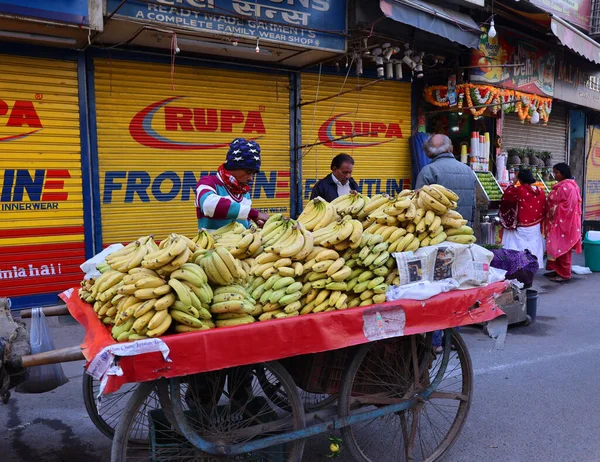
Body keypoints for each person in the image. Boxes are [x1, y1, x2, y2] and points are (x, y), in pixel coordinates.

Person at [195, 138, 269, 230]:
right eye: (248, 172)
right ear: (234, 166)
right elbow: (208, 205)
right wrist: (254, 213)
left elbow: (244, 221)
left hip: (240, 243)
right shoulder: (208, 183)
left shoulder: (244, 192)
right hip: (213, 243)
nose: (251, 178)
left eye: (253, 173)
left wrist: (254, 226)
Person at [415, 134, 476, 225]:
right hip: (465, 231)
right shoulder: (468, 170)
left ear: (428, 151)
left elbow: (418, 206)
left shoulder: (428, 171)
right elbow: (473, 205)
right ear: (450, 148)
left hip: (438, 232)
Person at [499, 169, 546, 269]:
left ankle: (517, 266)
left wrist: (513, 182)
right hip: (535, 226)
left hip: (520, 227)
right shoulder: (540, 191)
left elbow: (506, 196)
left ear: (520, 179)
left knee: (516, 246)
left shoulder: (517, 191)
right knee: (533, 246)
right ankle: (532, 266)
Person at [544, 163, 582, 283]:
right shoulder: (562, 186)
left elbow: (568, 206)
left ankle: (565, 274)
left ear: (563, 173)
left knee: (563, 247)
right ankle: (557, 269)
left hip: (565, 222)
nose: (555, 175)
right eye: (554, 172)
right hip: (557, 221)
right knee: (553, 246)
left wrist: (554, 208)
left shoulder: (569, 187)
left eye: (557, 173)